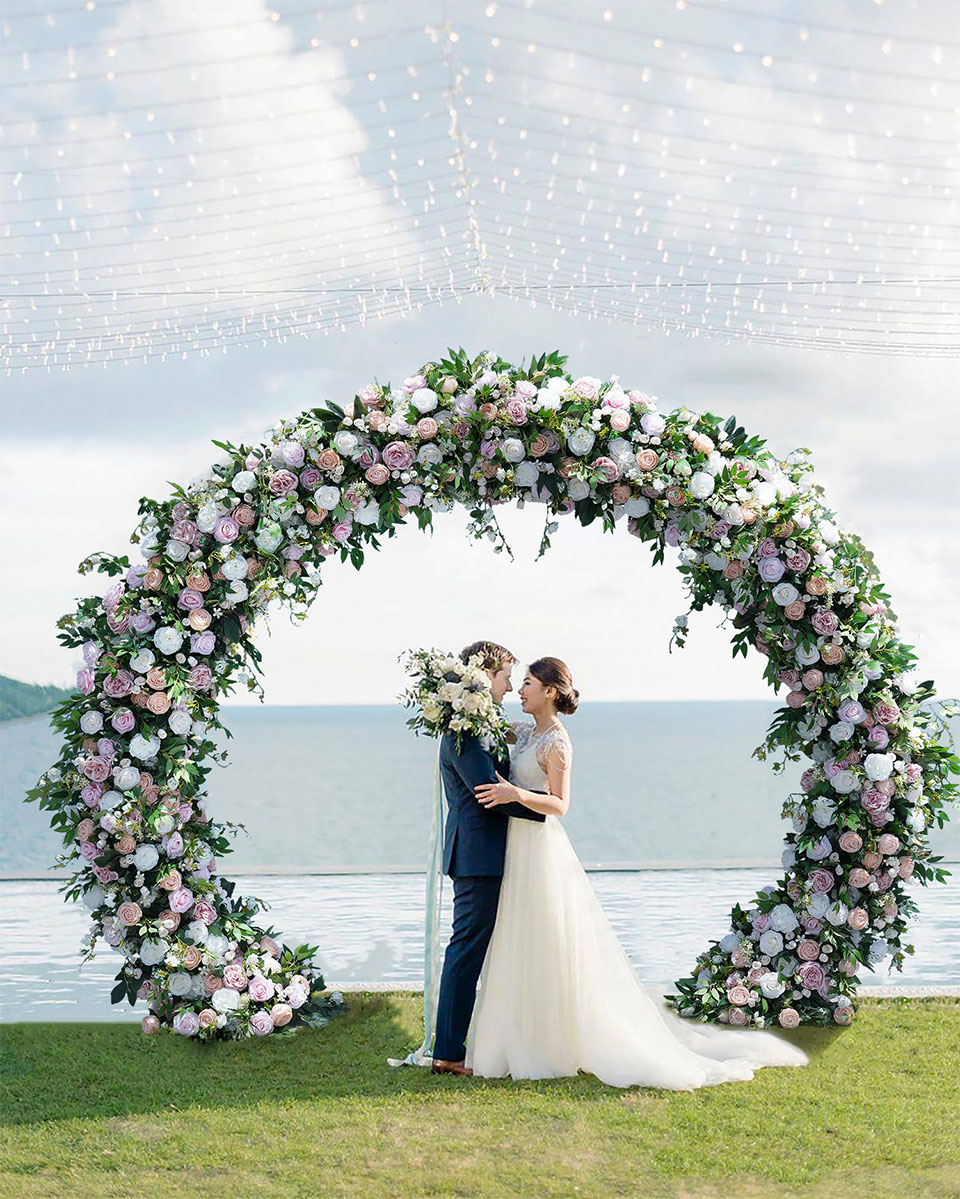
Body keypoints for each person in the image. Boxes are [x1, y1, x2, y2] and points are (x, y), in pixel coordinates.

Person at [466, 656, 809, 1089]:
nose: (521, 690)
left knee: (546, 935)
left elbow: (560, 805)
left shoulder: (557, 742)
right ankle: (513, 1033)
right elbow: (486, 729)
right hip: (515, 845)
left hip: (541, 847)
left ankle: (552, 1040)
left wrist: (515, 792)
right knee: (517, 936)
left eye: (529, 683)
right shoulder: (524, 732)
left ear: (550, 691)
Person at [430, 640, 546, 1076]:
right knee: (466, 951)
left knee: (481, 950)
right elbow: (486, 795)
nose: (511, 684)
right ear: (483, 677)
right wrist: (545, 808)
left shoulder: (481, 724)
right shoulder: (463, 732)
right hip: (477, 855)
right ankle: (448, 1052)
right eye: (505, 677)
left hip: (490, 852)